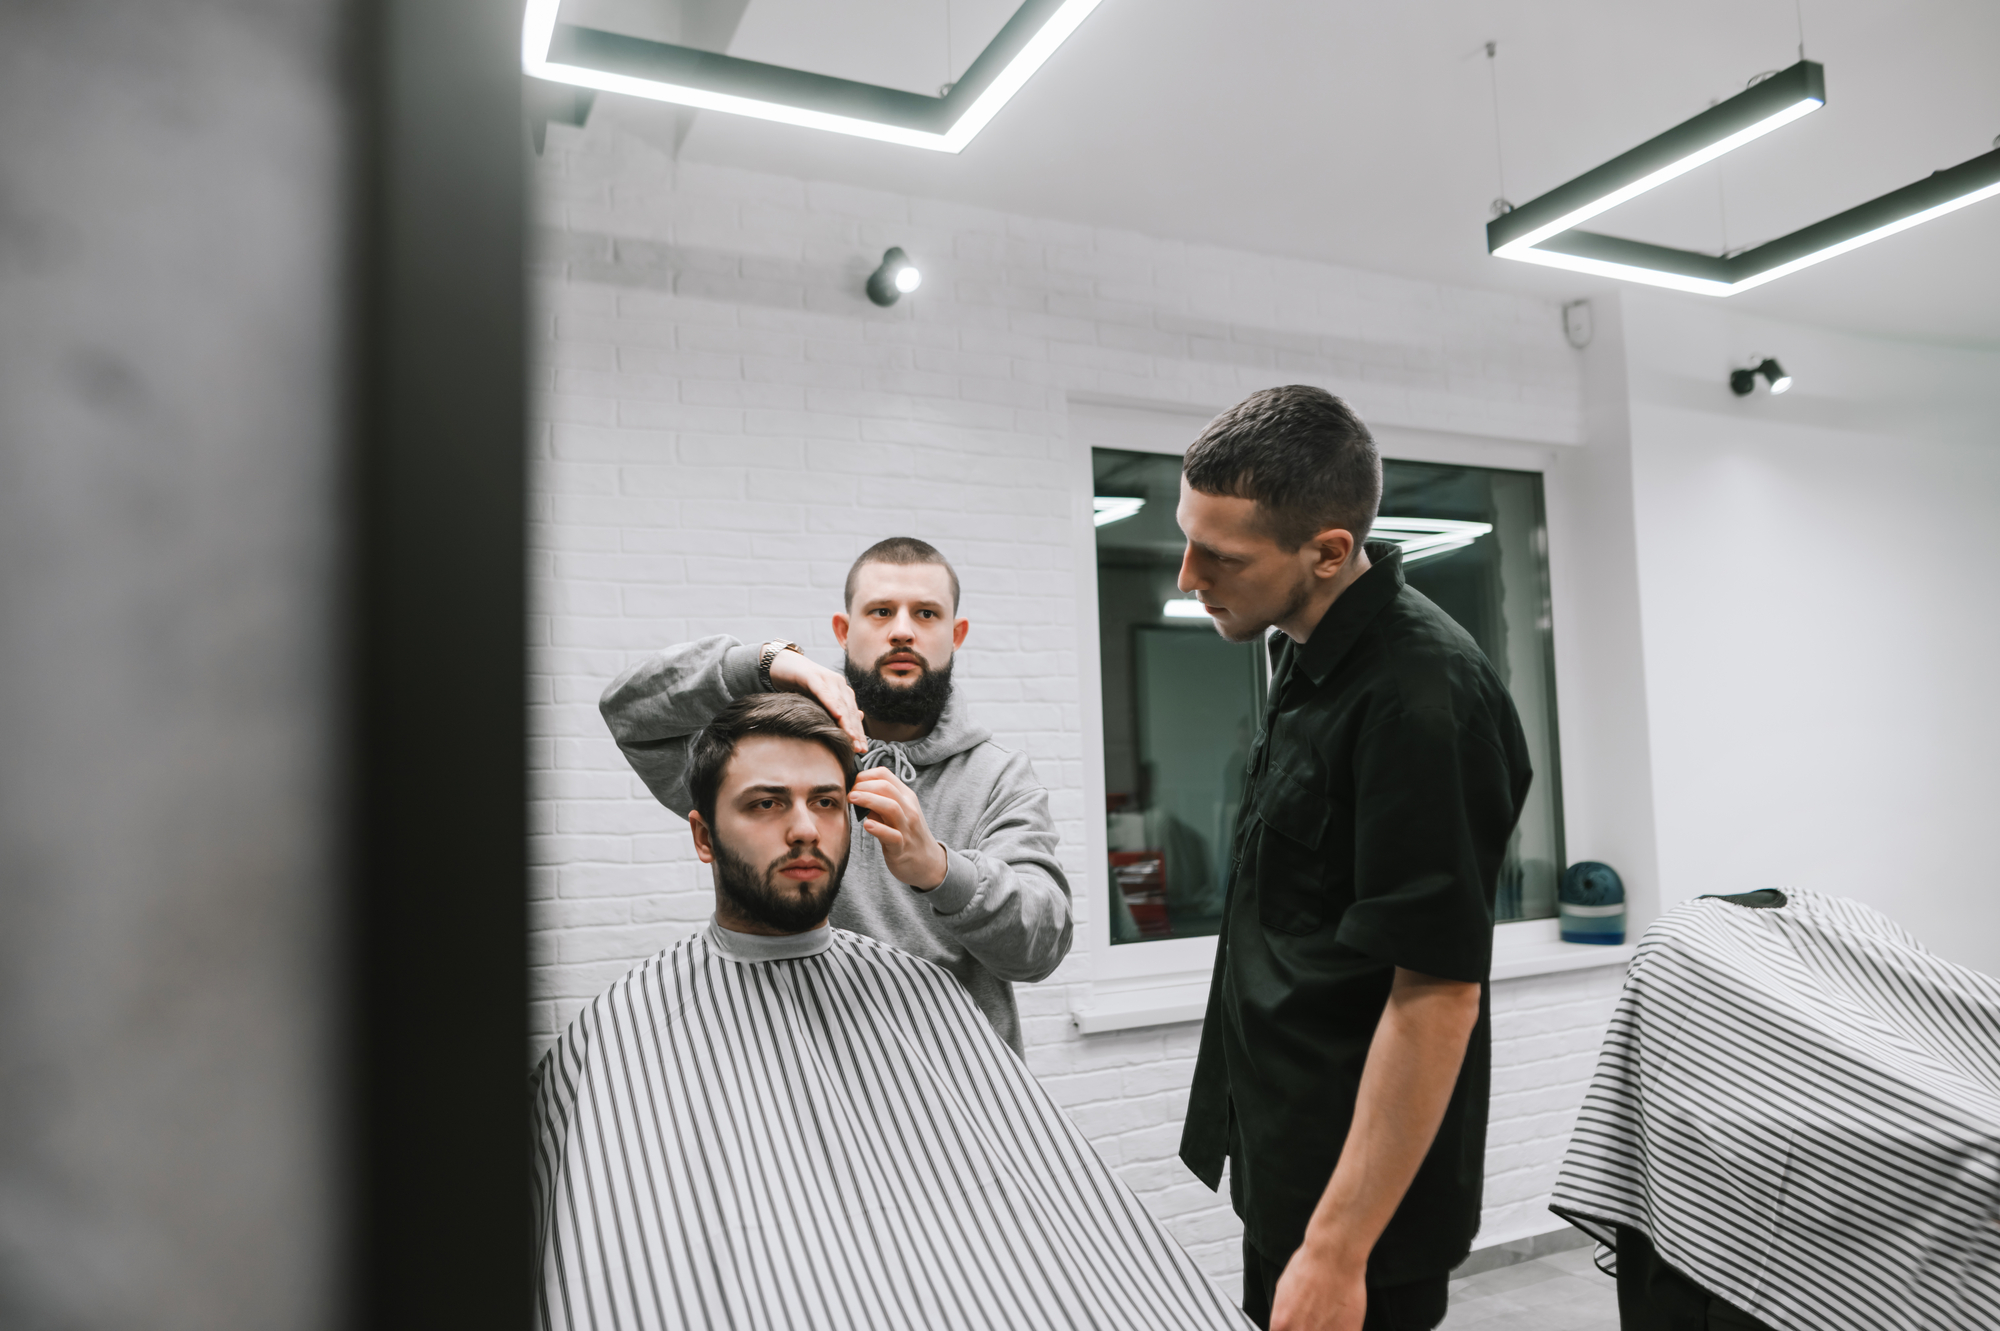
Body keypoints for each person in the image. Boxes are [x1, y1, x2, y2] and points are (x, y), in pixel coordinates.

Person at [531, 694, 1247, 1331]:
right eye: (765, 803)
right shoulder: (612, 1040)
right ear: (701, 835)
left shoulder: (923, 995)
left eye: (826, 802)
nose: (805, 828)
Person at [1173, 387, 1533, 1331]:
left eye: (1221, 556)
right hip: (1291, 1158)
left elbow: (1438, 991)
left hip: (1361, 1212)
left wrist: (1337, 1250)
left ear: (1329, 551)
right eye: (1189, 538)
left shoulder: (1424, 700)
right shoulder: (1307, 651)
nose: (1185, 575)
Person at [598, 536, 1071, 1053]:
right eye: (882, 611)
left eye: (927, 614)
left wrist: (937, 869)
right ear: (844, 631)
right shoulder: (775, 754)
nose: (903, 631)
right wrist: (765, 664)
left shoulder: (999, 778)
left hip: (954, 1089)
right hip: (794, 1068)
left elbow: (1040, 947)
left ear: (955, 634)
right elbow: (630, 711)